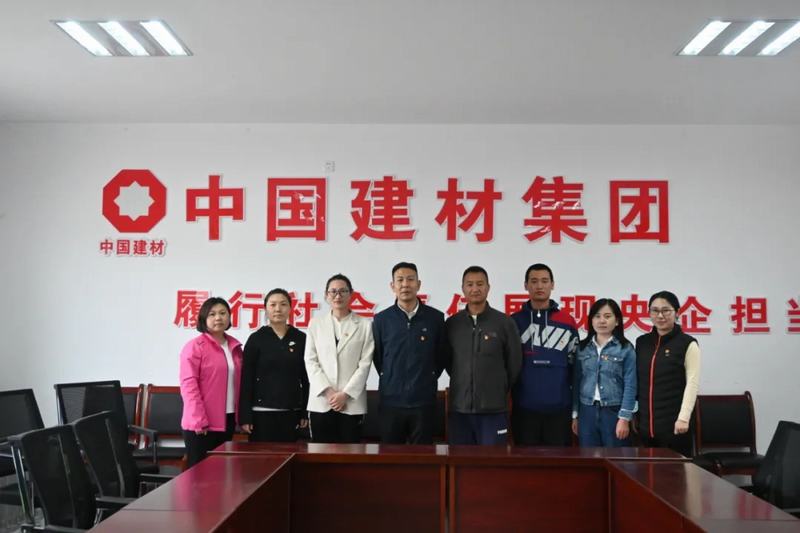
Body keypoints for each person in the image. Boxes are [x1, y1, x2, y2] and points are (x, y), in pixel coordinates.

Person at [372, 262, 449, 444]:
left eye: (410, 279)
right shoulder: (381, 320)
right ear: (392, 286)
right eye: (400, 280)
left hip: (423, 401)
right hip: (391, 401)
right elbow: (378, 358)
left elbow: (441, 356)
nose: (405, 284)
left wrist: (427, 377)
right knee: (390, 455)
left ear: (418, 284)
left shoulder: (435, 318)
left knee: (422, 456)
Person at [446, 266, 522, 445]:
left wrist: (497, 387)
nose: (475, 289)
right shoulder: (452, 324)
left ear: (488, 287)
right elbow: (448, 362)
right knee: (460, 460)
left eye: (480, 284)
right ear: (463, 288)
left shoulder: (504, 323)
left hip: (493, 410)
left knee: (492, 460)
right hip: (460, 410)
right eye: (470, 284)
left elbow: (514, 364)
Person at [511, 264, 578, 446]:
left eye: (544, 281)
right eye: (534, 281)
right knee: (525, 461)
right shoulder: (514, 322)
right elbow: (508, 364)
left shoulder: (567, 321)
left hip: (559, 410)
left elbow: (575, 365)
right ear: (526, 285)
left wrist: (575, 409)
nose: (539, 286)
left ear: (552, 284)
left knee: (559, 461)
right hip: (524, 410)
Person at [305, 274, 374, 443]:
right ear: (326, 295)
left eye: (343, 291)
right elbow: (310, 361)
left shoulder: (364, 325)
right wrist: (328, 391)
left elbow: (365, 364)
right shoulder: (315, 324)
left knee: (351, 453)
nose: (338, 296)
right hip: (321, 402)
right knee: (319, 453)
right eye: (333, 291)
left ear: (351, 294)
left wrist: (345, 394)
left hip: (351, 403)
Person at [635, 290, 701, 457]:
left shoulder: (688, 343)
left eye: (666, 310)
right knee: (647, 470)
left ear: (677, 312)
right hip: (645, 425)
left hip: (675, 425)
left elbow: (692, 383)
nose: (660, 315)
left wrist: (684, 418)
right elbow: (636, 380)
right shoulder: (642, 343)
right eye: (655, 310)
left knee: (675, 471)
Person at [239, 289, 309, 442]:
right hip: (261, 413)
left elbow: (306, 378)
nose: (278, 309)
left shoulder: (301, 338)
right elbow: (246, 379)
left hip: (292, 412)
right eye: (273, 305)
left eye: (283, 304)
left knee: (291, 455)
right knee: (261, 456)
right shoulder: (256, 339)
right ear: (265, 309)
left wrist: (305, 411)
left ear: (290, 308)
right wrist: (245, 416)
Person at [179, 297, 243, 467]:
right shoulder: (195, 347)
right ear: (204, 318)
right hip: (202, 423)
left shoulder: (235, 347)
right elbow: (189, 385)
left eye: (223, 313)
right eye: (212, 314)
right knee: (199, 474)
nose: (218, 318)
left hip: (228, 419)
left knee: (221, 471)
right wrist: (198, 419)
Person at [572, 299, 636, 447]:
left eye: (607, 316)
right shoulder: (582, 348)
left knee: (617, 458)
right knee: (589, 458)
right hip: (586, 411)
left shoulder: (626, 348)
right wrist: (575, 415)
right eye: (597, 316)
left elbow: (631, 385)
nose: (602, 321)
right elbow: (576, 381)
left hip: (614, 411)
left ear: (617, 321)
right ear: (591, 320)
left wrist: (624, 418)